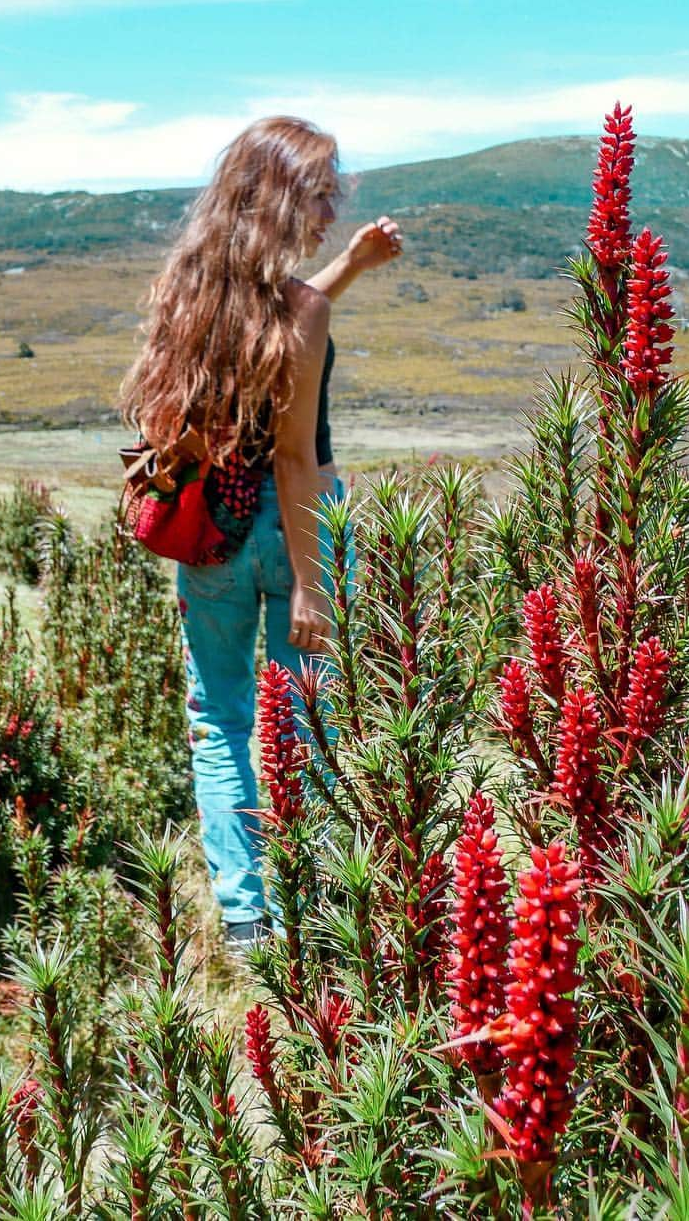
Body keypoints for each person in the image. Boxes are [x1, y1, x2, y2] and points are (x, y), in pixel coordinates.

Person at [120, 116, 402, 946]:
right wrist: (314, 585)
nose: (328, 210)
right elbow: (294, 458)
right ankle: (311, 907)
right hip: (294, 529)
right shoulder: (297, 310)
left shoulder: (192, 292)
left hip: (210, 532)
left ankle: (247, 918)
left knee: (221, 717)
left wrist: (347, 264)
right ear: (280, 200)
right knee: (309, 720)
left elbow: (276, 337)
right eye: (319, 196)